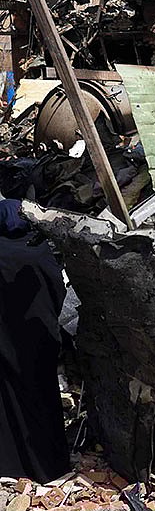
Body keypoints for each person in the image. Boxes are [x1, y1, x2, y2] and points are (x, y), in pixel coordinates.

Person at [0, 199, 70, 482]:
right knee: (44, 399)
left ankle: (11, 466)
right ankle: (51, 467)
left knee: (8, 400)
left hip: (6, 341)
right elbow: (57, 291)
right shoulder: (37, 247)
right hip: (40, 338)